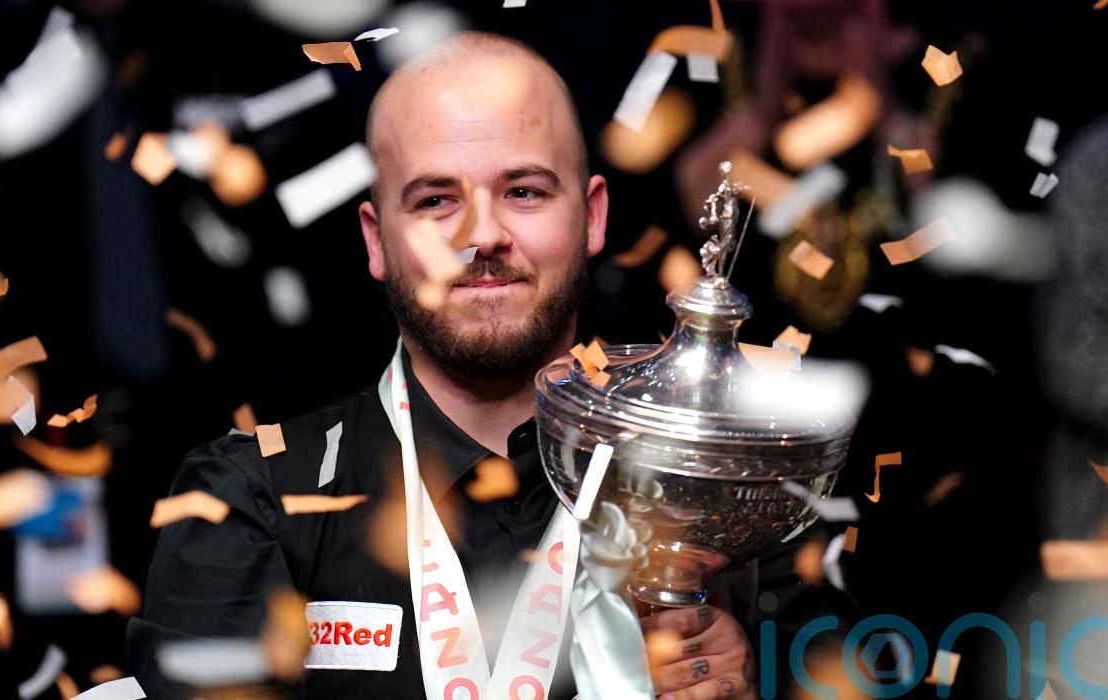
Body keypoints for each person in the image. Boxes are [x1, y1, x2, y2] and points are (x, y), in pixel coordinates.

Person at [127, 32, 755, 699]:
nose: (482, 236)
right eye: (435, 201)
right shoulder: (252, 499)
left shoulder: (718, 490)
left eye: (524, 191)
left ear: (592, 217)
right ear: (377, 240)